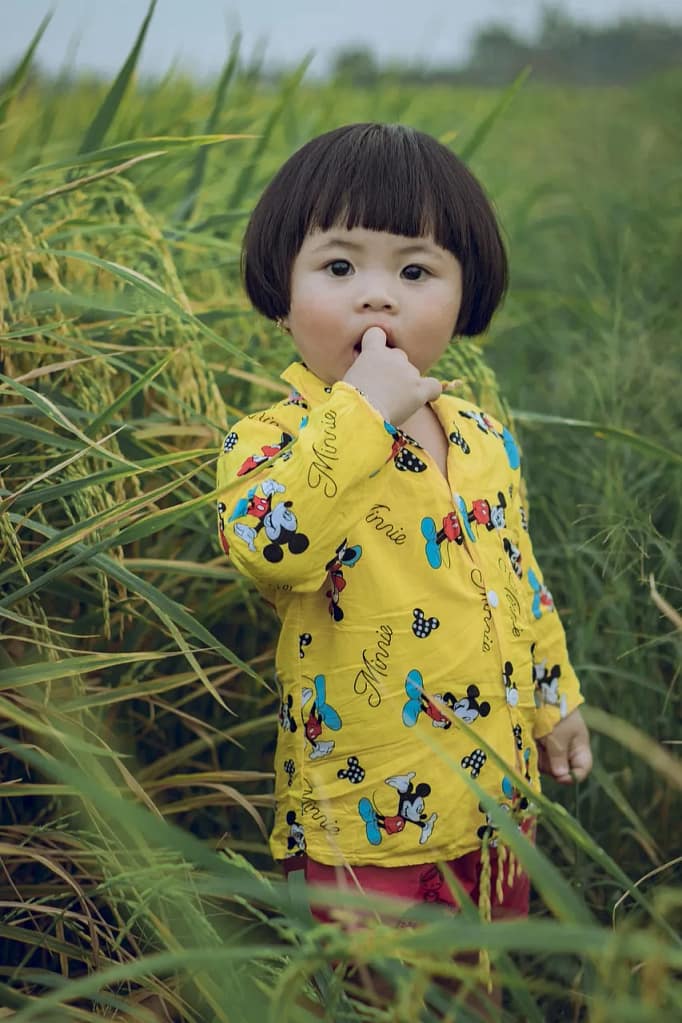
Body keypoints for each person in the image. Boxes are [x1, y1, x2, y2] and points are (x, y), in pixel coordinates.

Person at [215, 123, 592, 943]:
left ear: (466, 297)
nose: (376, 296)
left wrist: (554, 700)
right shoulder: (274, 442)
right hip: (364, 822)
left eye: (416, 271)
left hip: (493, 802)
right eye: (339, 267)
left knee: (483, 984)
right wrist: (361, 413)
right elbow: (271, 545)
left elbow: (518, 580)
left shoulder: (484, 438)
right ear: (281, 287)